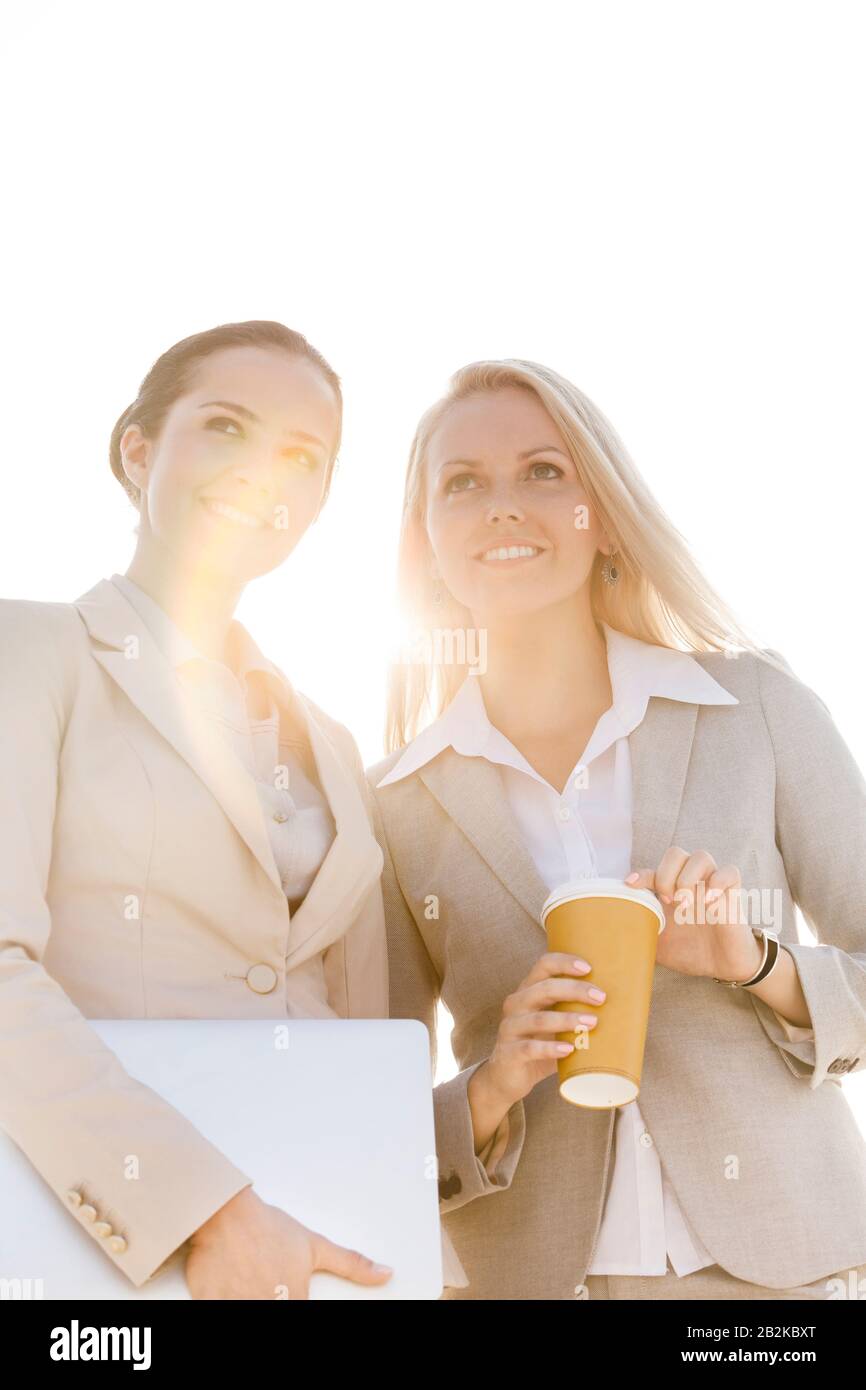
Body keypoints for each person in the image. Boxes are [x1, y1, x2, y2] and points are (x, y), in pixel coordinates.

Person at [367, 357, 866, 1300]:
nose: (502, 505)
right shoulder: (394, 801)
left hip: (775, 1284)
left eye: (543, 471)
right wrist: (491, 1081)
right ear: (427, 541)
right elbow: (369, 1104)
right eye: (462, 483)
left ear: (603, 513)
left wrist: (757, 963)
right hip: (527, 1279)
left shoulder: (754, 707)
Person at [0, 319, 394, 1300]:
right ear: (139, 450)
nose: (264, 470)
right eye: (226, 426)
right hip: (92, 1253)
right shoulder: (31, 653)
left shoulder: (333, 746)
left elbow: (361, 1042)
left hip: (309, 1244)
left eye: (303, 455)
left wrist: (485, 1089)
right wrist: (201, 1205)